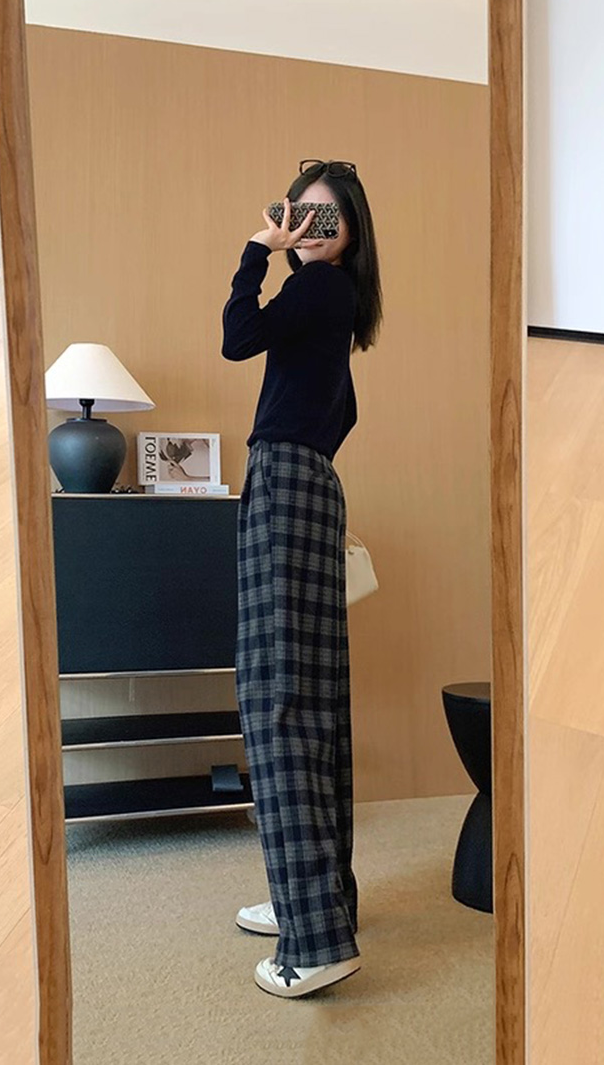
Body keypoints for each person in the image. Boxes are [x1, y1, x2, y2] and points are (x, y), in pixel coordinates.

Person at [221, 159, 383, 998]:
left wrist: (260, 248)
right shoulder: (337, 308)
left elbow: (236, 335)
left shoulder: (316, 290)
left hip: (284, 485)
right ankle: (317, 902)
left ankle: (315, 940)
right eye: (300, 214)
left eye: (327, 218)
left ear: (350, 232)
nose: (310, 228)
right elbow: (338, 414)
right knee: (313, 703)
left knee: (275, 701)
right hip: (316, 487)